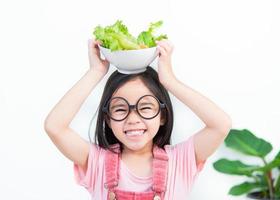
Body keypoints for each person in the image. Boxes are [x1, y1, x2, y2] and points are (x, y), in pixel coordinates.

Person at [44, 39, 232, 200]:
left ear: (163, 116)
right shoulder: (96, 162)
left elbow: (221, 125)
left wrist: (170, 81)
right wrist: (95, 72)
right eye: (120, 108)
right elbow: (54, 126)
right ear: (108, 119)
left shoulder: (179, 160)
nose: (133, 118)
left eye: (145, 107)